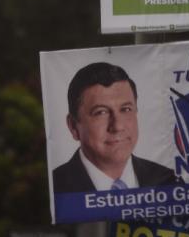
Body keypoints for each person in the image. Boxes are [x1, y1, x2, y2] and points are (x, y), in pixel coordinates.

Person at [52, 62, 177, 193]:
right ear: (73, 126)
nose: (117, 126)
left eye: (125, 109)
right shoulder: (53, 188)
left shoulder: (169, 182)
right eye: (101, 112)